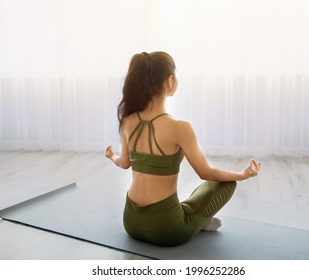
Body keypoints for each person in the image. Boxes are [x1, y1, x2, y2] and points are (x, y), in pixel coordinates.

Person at [106, 51, 260, 246]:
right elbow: (206, 173)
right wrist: (242, 175)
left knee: (193, 197)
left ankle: (194, 220)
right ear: (170, 81)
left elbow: (125, 163)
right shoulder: (180, 128)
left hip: (131, 222)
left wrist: (112, 156)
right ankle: (199, 223)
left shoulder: (128, 120)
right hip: (168, 230)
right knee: (226, 183)